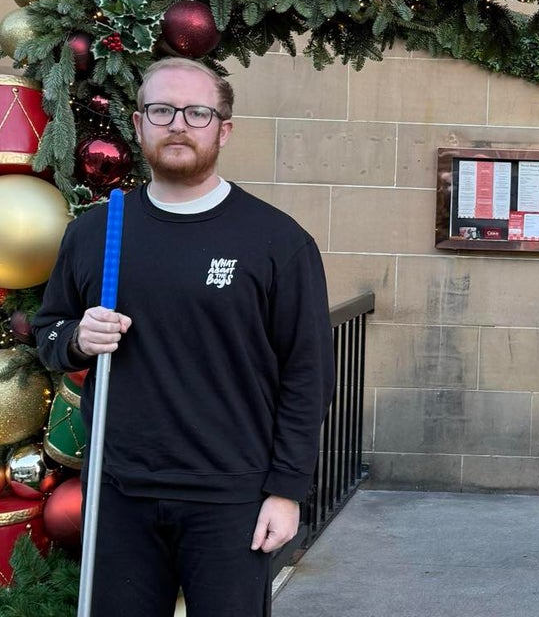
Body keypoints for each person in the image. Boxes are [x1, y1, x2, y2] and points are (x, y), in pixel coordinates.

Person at [34, 56, 335, 616]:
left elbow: (307, 374)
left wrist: (287, 490)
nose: (178, 124)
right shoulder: (96, 232)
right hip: (119, 491)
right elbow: (49, 334)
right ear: (138, 123)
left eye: (197, 112)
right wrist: (77, 337)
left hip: (231, 497)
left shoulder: (276, 241)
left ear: (224, 129)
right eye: (162, 110)